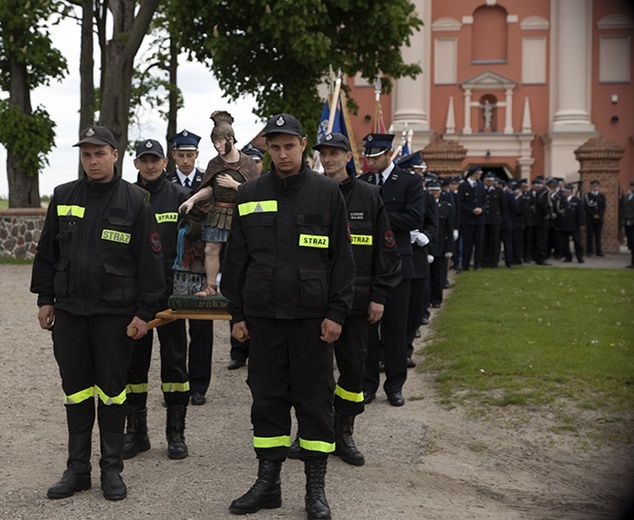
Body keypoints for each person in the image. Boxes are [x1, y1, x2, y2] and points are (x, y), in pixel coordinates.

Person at [220, 114, 355, 519]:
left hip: (313, 321)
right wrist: (237, 315)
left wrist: (336, 313)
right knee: (267, 400)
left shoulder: (328, 193)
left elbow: (342, 262)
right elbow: (236, 259)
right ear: (268, 149)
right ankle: (268, 484)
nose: (282, 154)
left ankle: (315, 490)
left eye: (289, 146)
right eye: (275, 147)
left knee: (314, 402)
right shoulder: (250, 194)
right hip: (263, 319)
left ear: (302, 145)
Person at [30, 126, 165, 501]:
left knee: (111, 392)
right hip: (70, 310)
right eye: (86, 154)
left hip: (114, 313)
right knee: (75, 392)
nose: (92, 160)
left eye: (99, 153)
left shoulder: (135, 200)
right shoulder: (64, 196)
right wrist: (45, 298)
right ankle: (77, 471)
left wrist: (144, 313)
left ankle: (111, 470)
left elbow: (151, 263)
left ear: (115, 154)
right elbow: (47, 254)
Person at [310, 132, 401, 465]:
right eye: (324, 153)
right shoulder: (310, 193)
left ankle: (343, 432)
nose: (329, 158)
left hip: (358, 301)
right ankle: (314, 432)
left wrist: (379, 295)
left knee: (353, 371)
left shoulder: (369, 196)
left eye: (336, 153)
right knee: (314, 373)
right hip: (315, 300)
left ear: (349, 157)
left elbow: (385, 250)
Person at [123, 139, 191, 461]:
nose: (150, 166)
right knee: (133, 366)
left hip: (170, 294)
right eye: (143, 160)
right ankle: (136, 434)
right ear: (135, 163)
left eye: (155, 160)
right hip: (134, 296)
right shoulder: (126, 198)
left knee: (175, 364)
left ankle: (175, 434)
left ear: (166, 161)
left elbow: (193, 244)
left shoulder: (180, 197)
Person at [359, 132, 425, 407]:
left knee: (395, 330)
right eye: (368, 157)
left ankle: (394, 386)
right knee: (367, 331)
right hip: (368, 265)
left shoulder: (409, 182)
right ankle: (368, 384)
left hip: (398, 263)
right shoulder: (361, 183)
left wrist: (378, 215)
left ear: (389, 154)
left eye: (375, 157)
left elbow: (414, 218)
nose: (370, 162)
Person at [179, 111, 259, 297]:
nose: (218, 146)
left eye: (222, 142)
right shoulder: (214, 163)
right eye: (215, 142)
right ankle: (211, 286)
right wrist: (192, 200)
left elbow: (256, 191)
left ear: (231, 138)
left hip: (240, 213)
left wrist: (235, 185)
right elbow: (210, 188)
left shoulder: (248, 162)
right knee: (210, 249)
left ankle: (242, 287)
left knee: (241, 252)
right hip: (218, 212)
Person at [167, 130, 214, 406]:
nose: (185, 160)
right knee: (173, 330)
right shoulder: (167, 182)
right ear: (173, 156)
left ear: (197, 155)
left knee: (201, 329)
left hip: (200, 264)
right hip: (175, 260)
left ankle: (198, 386)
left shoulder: (206, 181)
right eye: (180, 155)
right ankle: (178, 383)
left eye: (190, 155)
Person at [226, 142, 266, 370]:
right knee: (238, 299)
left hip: (261, 251)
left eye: (256, 161)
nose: (253, 165)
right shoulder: (233, 183)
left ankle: (255, 351)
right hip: (240, 248)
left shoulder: (266, 185)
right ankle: (238, 351)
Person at [427, 181, 455, 307]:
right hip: (427, 245)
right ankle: (426, 300)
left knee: (439, 276)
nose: (434, 193)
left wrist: (450, 248)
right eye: (431, 191)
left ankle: (436, 299)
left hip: (440, 245)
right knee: (427, 277)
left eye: (436, 191)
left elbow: (449, 229)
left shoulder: (446, 207)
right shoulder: (424, 205)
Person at [457, 166, 487, 271]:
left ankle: (477, 264)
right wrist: (471, 210)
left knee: (479, 243)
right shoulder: (463, 186)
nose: (480, 175)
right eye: (478, 173)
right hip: (467, 219)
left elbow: (485, 201)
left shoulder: (481, 186)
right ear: (473, 174)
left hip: (479, 220)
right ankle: (465, 264)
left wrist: (481, 209)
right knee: (467, 243)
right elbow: (460, 202)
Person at [556, 184, 585, 263]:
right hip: (564, 224)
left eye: (565, 192)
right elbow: (559, 213)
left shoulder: (577, 201)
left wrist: (581, 223)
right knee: (564, 242)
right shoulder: (561, 201)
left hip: (574, 224)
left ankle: (580, 257)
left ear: (569, 192)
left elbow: (580, 213)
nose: (563, 193)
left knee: (577, 241)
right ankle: (568, 257)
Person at [481, 172, 505, 268]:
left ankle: (494, 261)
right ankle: (484, 261)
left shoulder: (499, 191)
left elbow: (503, 206)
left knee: (494, 242)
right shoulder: (481, 190)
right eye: (487, 180)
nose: (489, 182)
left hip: (495, 220)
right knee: (484, 241)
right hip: (484, 219)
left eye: (491, 181)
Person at [531, 177, 553, 266]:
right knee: (537, 240)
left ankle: (541, 257)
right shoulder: (539, 194)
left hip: (540, 219)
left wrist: (548, 213)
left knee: (541, 240)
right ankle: (538, 257)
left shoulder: (544, 193)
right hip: (537, 219)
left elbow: (548, 204)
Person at [584, 179, 606, 257]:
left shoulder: (601, 196)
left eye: (596, 186)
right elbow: (587, 207)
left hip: (599, 219)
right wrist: (593, 214)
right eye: (593, 186)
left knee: (598, 236)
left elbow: (603, 207)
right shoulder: (587, 196)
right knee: (590, 235)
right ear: (591, 187)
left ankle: (599, 251)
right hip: (590, 218)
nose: (595, 187)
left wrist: (598, 215)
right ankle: (589, 251)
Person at [619, 180, 634, 268]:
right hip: (627, 222)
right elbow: (622, 208)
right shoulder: (626, 197)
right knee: (631, 243)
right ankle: (632, 262)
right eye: (632, 186)